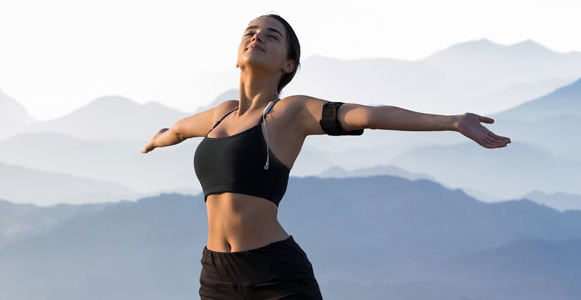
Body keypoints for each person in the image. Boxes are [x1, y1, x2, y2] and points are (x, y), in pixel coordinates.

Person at [140, 13, 511, 300]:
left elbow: (370, 114)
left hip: (275, 274)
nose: (257, 36)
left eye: (272, 36)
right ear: (238, 54)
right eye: (250, 31)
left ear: (288, 65)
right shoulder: (220, 113)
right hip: (216, 274)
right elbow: (178, 129)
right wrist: (159, 140)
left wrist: (452, 121)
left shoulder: (290, 112)